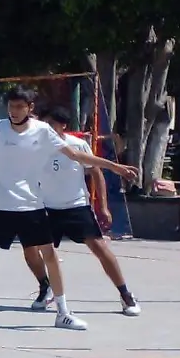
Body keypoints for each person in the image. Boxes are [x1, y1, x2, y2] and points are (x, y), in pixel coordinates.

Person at [0, 88, 139, 330]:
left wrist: (114, 166)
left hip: (32, 205)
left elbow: (75, 155)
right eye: (11, 106)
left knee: (50, 256)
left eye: (20, 106)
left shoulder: (43, 131)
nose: (14, 111)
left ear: (30, 108)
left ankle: (64, 313)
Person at [22, 106, 141, 316]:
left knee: (100, 248)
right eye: (44, 124)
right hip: (46, 207)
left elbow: (96, 173)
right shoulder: (35, 147)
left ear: (63, 126)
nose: (46, 128)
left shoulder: (76, 145)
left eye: (51, 124)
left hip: (76, 206)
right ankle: (45, 287)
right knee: (30, 248)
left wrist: (103, 206)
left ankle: (125, 294)